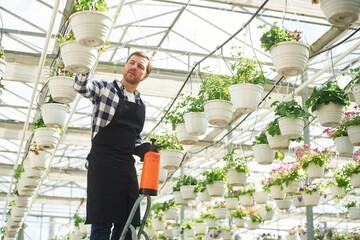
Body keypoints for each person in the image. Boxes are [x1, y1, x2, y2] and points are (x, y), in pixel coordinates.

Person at [73, 51, 152, 240]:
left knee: (129, 221)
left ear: (145, 75)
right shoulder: (105, 89)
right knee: (102, 221)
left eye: (140, 66)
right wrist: (86, 63)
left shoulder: (141, 105)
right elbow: (80, 87)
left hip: (126, 165)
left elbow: (134, 137)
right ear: (125, 66)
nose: (134, 67)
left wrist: (141, 148)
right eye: (131, 63)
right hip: (102, 162)